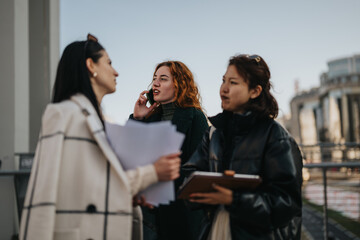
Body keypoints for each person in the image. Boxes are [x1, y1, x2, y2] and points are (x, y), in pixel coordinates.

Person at [19, 34, 181, 240]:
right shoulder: (62, 113)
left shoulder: (99, 120)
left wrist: (128, 197)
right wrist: (152, 173)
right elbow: (42, 193)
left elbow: (90, 187)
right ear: (91, 65)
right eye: (109, 63)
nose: (116, 72)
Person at [184, 54, 303, 239]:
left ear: (255, 91)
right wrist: (195, 192)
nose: (224, 89)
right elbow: (190, 174)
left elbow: (288, 203)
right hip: (216, 230)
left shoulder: (275, 135)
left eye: (233, 82)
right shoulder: (214, 133)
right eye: (223, 81)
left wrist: (234, 200)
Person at [130, 61, 209, 240]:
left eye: (163, 79)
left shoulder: (195, 117)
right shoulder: (149, 117)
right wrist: (137, 119)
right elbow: (130, 158)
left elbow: (198, 167)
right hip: (146, 215)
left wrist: (158, 177)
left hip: (180, 213)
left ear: (179, 84)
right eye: (154, 79)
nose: (155, 83)